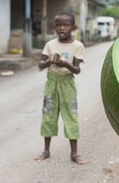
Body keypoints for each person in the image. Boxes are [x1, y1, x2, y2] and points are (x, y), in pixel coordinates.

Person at [34, 11, 89, 165]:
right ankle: (46, 150)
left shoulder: (78, 46)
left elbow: (77, 70)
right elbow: (40, 65)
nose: (62, 28)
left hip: (67, 84)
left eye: (65, 25)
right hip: (51, 83)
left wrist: (65, 64)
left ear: (73, 27)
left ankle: (74, 153)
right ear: (54, 27)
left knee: (71, 116)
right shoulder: (50, 45)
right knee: (48, 116)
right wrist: (50, 62)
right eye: (58, 25)